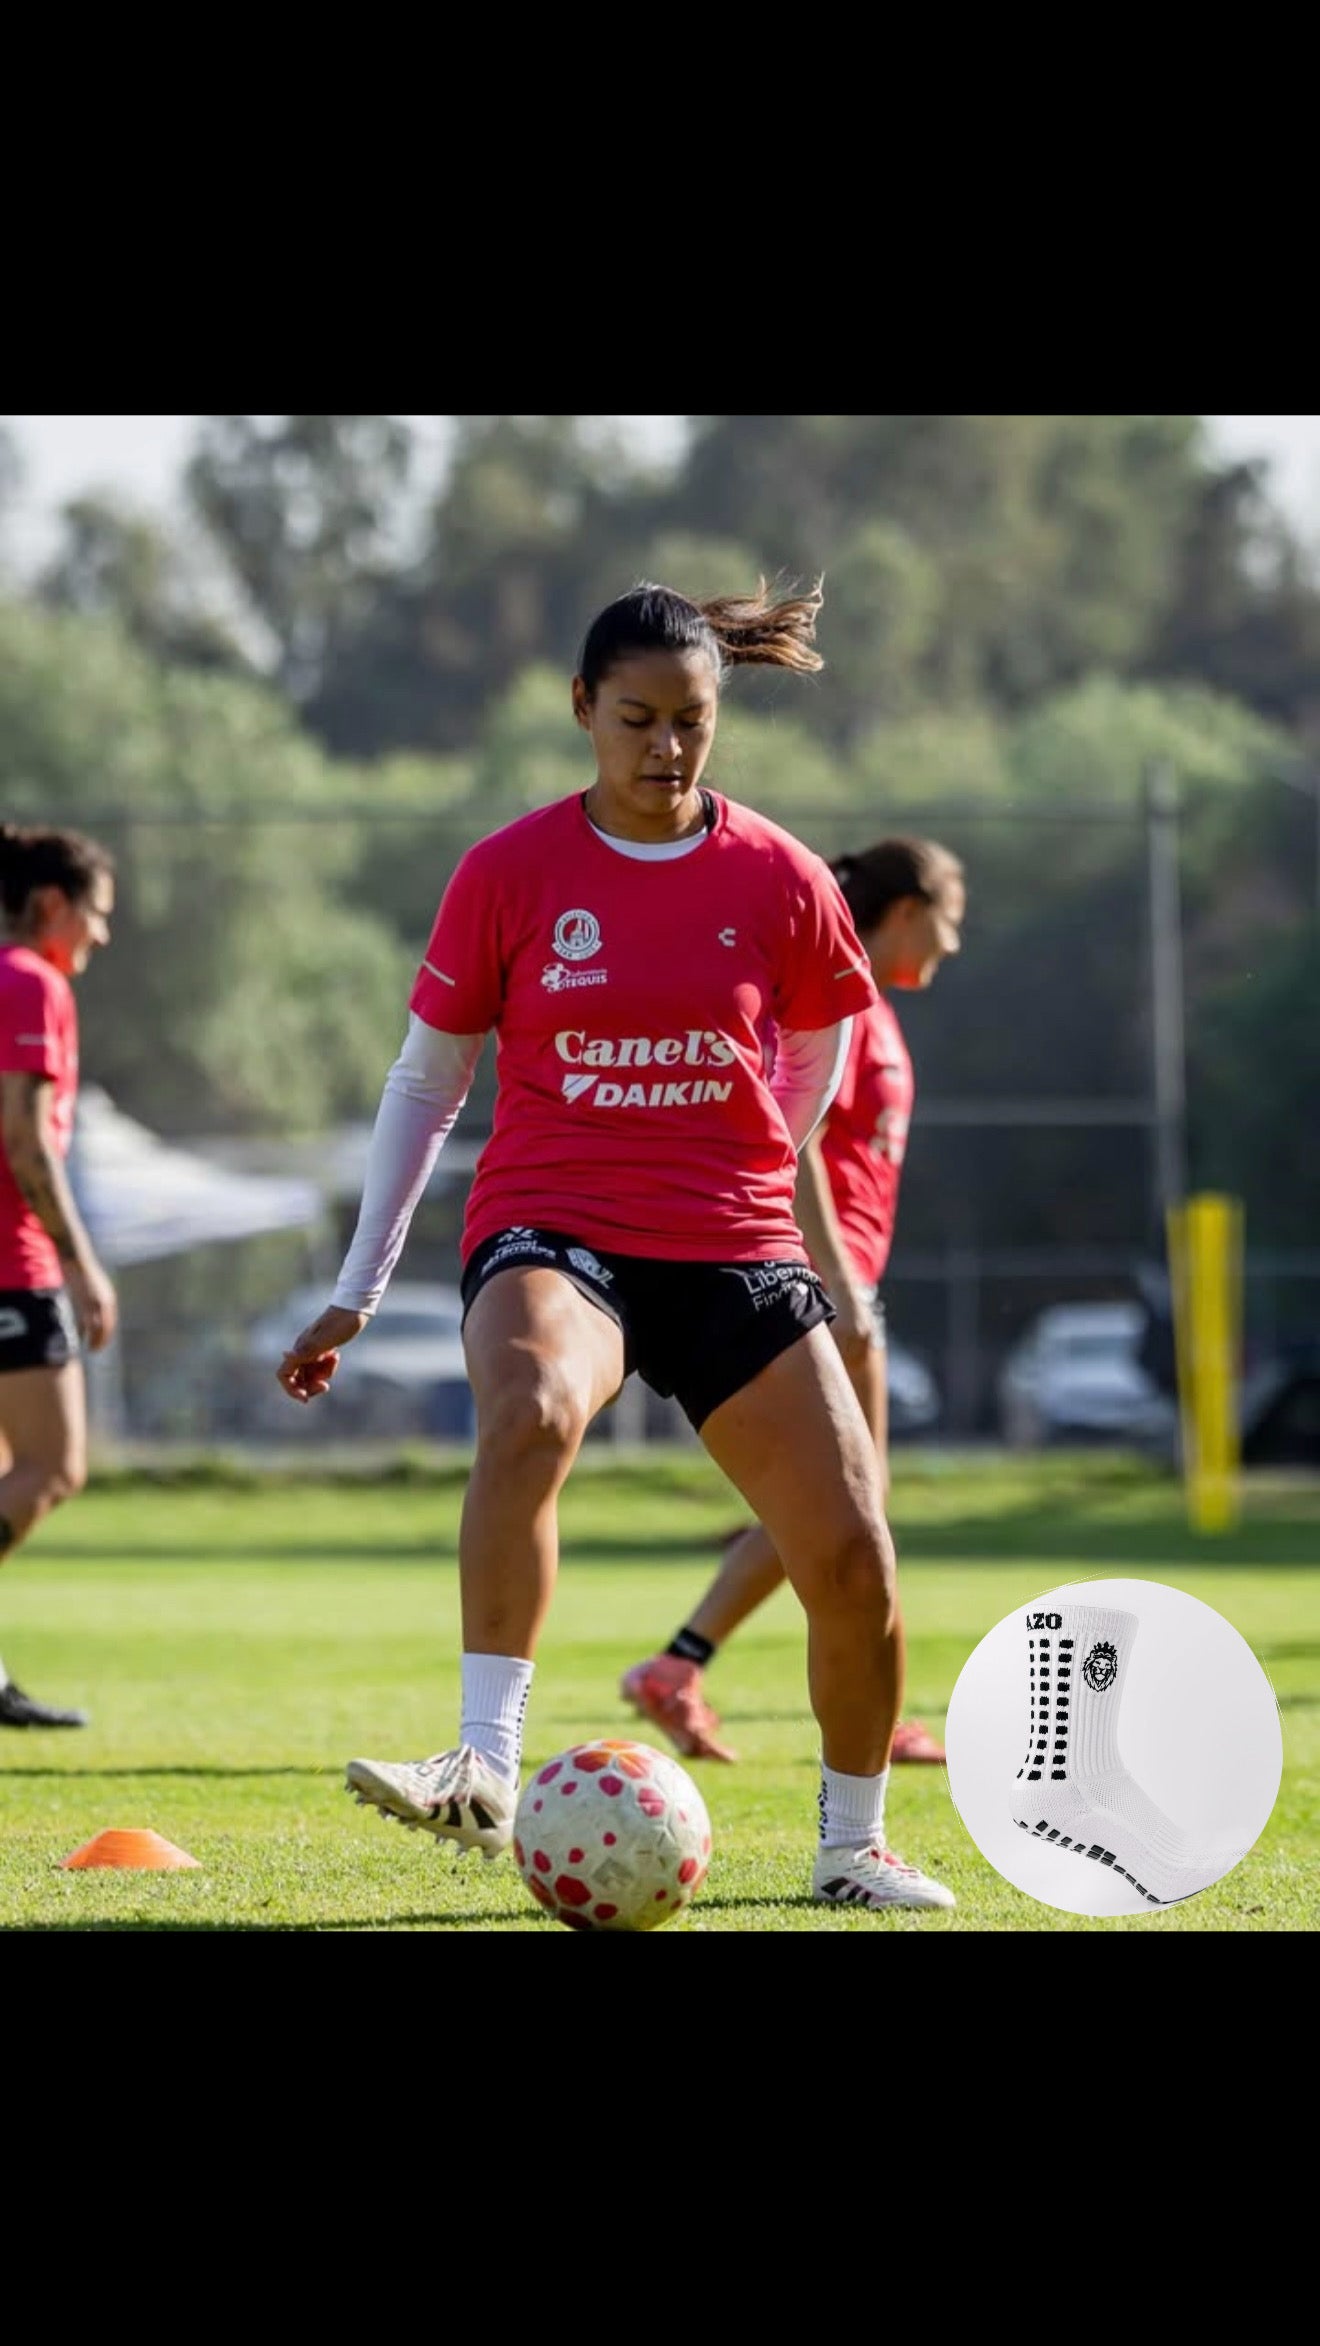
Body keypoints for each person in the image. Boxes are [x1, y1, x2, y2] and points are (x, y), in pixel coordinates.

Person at [276, 577, 956, 1912]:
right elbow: (426, 1083)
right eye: (637, 718)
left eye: (691, 720)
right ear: (583, 707)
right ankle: (482, 1764)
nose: (666, 746)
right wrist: (359, 1286)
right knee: (531, 1408)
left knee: (853, 1552)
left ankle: (851, 1848)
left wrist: (762, 1156)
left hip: (731, 1245)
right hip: (556, 1226)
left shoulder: (780, 876)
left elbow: (822, 1045)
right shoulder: (509, 872)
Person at [621, 834, 966, 1766]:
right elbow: (794, 1136)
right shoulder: (840, 1000)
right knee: (855, 1501)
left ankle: (680, 1668)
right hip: (819, 1279)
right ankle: (827, 1703)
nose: (953, 943)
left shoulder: (874, 1005)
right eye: (950, 921)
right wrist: (840, 1285)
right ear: (906, 912)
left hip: (843, 1275)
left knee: (846, 1502)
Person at [0, 822, 118, 1728]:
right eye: (95, 914)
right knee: (52, 1467)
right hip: (14, 1264)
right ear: (51, 905)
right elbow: (26, 1137)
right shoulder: (30, 982)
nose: (100, 935)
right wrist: (80, 1265)